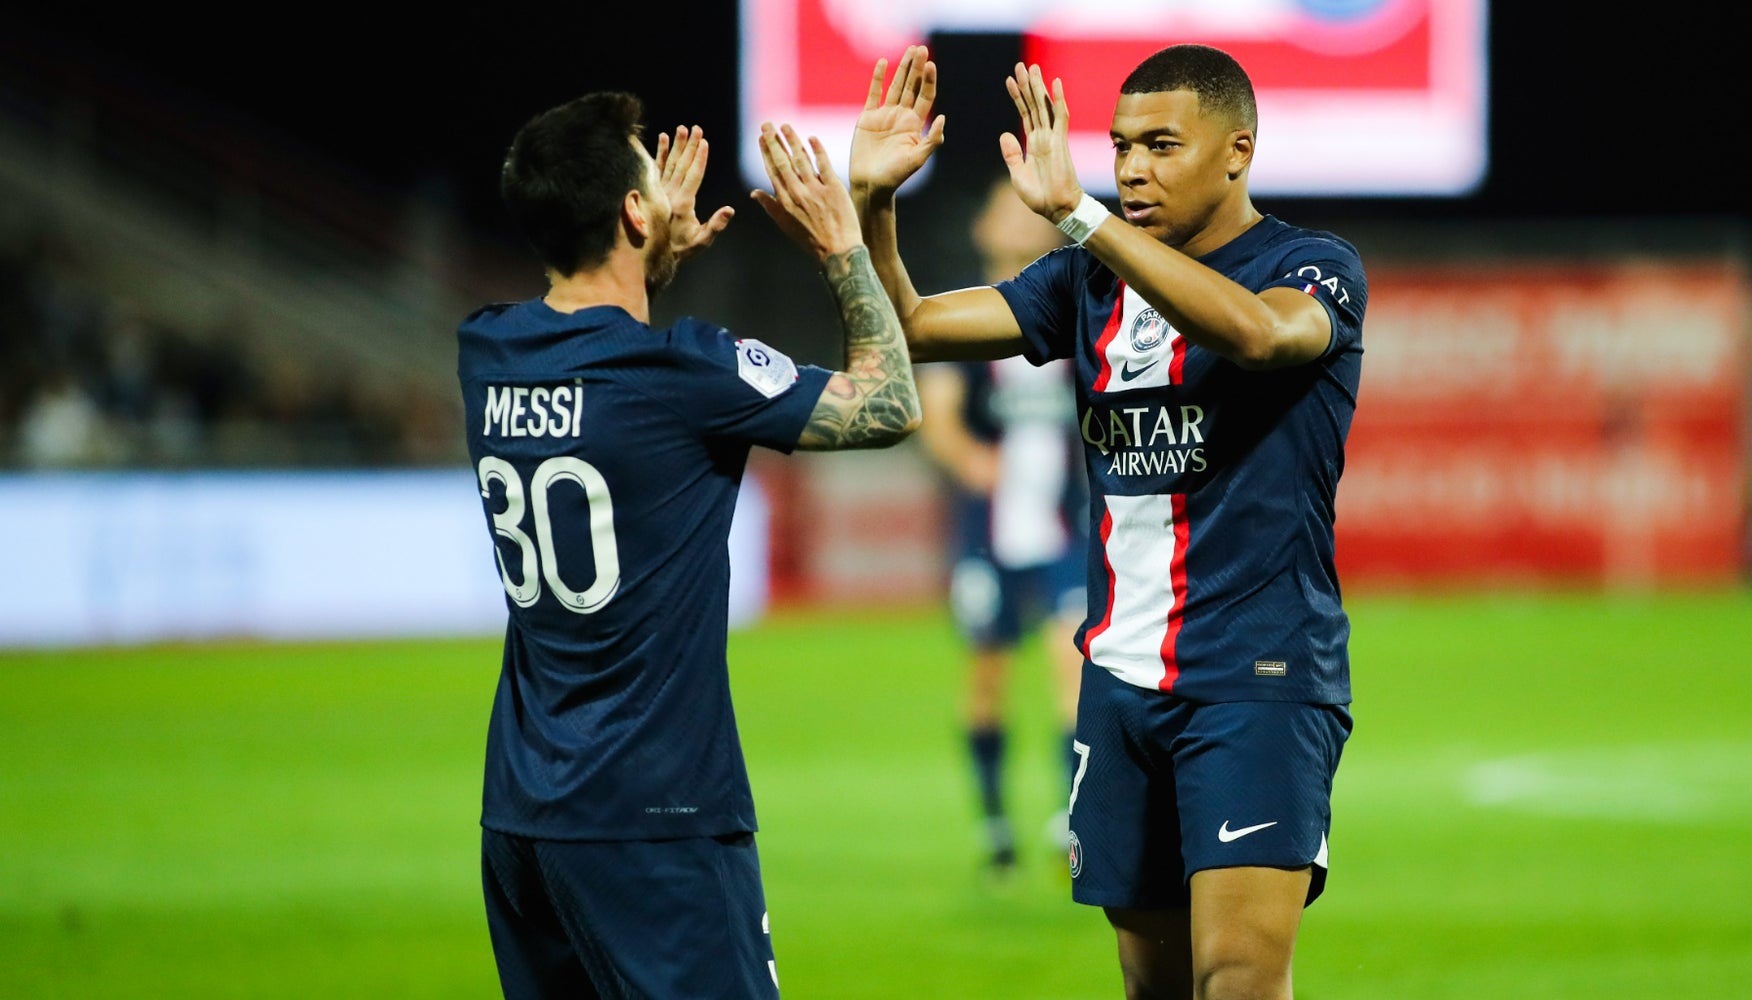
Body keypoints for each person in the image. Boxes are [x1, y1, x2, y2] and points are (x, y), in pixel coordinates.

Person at [848, 44, 1366, 999]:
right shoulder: (1082, 285)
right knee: (1153, 987)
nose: (1131, 167)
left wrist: (1078, 218)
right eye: (1121, 145)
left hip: (1259, 679)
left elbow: (1256, 335)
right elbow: (910, 327)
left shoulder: (1312, 267)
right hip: (1120, 681)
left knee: (1239, 982)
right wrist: (873, 204)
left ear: (1237, 151)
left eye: (1163, 144)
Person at [457, 92, 918, 999]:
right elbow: (891, 402)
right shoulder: (689, 372)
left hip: (522, 816)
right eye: (645, 181)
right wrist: (841, 247)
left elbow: (596, 348)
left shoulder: (488, 350)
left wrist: (646, 259)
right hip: (655, 817)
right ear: (636, 209)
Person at [915, 176, 1084, 876]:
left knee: (1074, 666)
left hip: (1067, 526)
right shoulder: (961, 316)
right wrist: (964, 455)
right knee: (985, 677)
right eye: (1002, 210)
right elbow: (939, 413)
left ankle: (1070, 812)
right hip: (988, 530)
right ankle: (993, 822)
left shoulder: (1076, 311)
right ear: (983, 230)